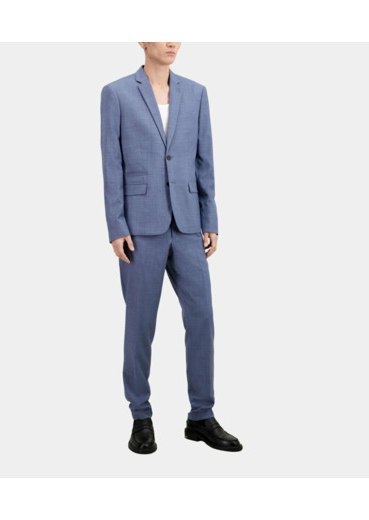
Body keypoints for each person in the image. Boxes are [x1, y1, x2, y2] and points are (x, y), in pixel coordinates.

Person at [100, 42, 243, 454]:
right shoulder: (116, 93)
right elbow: (111, 163)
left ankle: (201, 416)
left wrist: (209, 219)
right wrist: (116, 226)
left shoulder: (196, 93)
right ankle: (140, 416)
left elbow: (204, 161)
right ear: (142, 39)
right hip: (139, 228)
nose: (171, 41)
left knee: (202, 318)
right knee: (140, 324)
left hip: (188, 224)